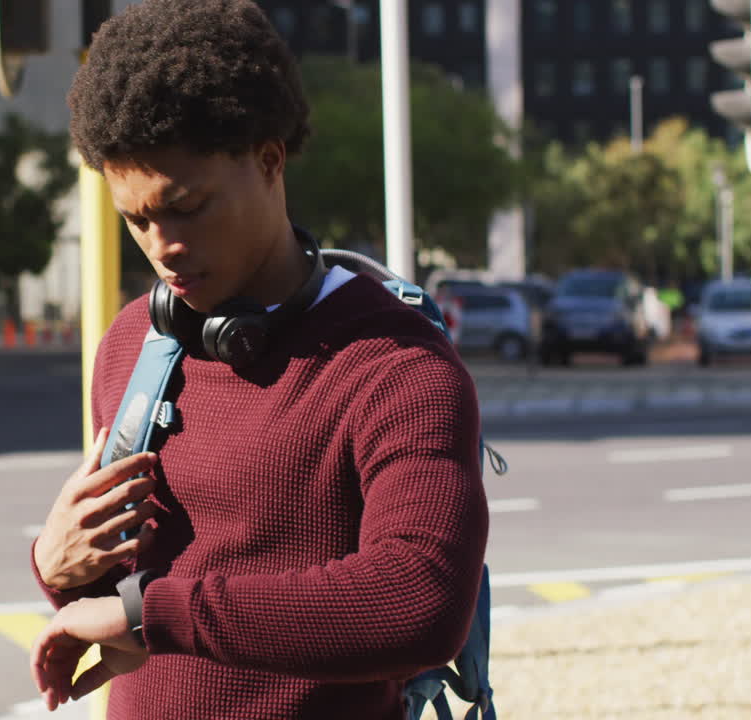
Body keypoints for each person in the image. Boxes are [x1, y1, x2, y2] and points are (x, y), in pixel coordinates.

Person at [29, 1, 488, 717]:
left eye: (188, 207)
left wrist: (156, 615)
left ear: (269, 160)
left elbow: (417, 602)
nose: (162, 246)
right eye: (137, 218)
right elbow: (123, 597)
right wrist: (59, 565)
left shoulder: (397, 366)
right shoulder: (133, 344)